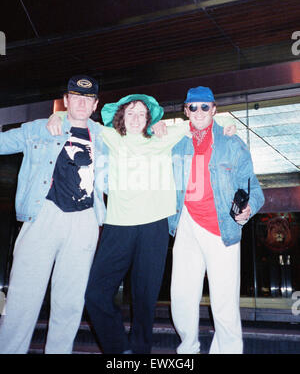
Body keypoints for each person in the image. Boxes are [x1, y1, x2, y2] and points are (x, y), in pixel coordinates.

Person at [48, 93, 235, 354]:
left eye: (142, 113)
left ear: (149, 119)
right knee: (95, 294)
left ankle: (139, 353)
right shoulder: (110, 136)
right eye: (131, 112)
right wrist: (54, 115)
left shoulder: (163, 136)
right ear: (121, 116)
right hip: (118, 226)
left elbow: (200, 120)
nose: (136, 118)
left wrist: (226, 122)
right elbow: (79, 120)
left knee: (145, 299)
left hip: (154, 227)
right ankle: (118, 349)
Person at [0, 75, 107, 354]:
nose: (82, 102)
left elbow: (140, 143)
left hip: (84, 220)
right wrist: (54, 117)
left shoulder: (106, 138)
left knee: (70, 302)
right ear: (67, 99)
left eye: (88, 98)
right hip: (43, 215)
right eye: (76, 97)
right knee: (23, 298)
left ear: (95, 105)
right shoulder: (40, 129)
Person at [168, 86, 265, 354]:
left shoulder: (232, 143)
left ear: (214, 109)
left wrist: (248, 210)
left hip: (223, 228)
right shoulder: (175, 143)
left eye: (205, 106)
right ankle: (188, 350)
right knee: (181, 299)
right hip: (186, 224)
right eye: (193, 107)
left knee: (224, 304)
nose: (199, 112)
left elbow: (254, 190)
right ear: (186, 110)